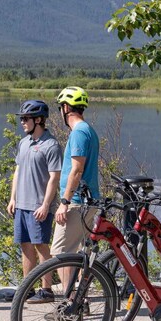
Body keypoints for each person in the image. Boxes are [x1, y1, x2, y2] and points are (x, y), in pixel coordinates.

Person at [6, 100, 62, 303]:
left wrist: (46, 205)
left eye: (25, 119)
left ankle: (46, 290)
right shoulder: (23, 143)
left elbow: (54, 178)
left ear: (38, 120)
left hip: (38, 206)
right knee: (25, 246)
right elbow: (18, 171)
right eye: (21, 118)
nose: (22, 122)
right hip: (21, 205)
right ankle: (26, 289)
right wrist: (13, 198)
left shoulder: (51, 145)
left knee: (41, 247)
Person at [51, 87, 99, 283]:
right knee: (80, 252)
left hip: (77, 201)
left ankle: (69, 303)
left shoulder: (79, 132)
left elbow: (77, 170)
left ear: (66, 107)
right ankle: (80, 300)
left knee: (61, 253)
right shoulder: (89, 130)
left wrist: (64, 202)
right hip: (88, 200)